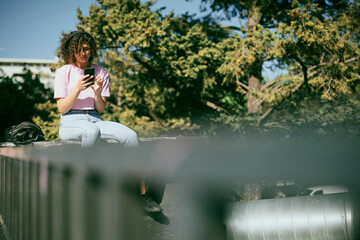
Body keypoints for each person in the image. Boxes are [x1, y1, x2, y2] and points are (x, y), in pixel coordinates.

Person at [54, 30, 162, 212]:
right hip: (70, 120)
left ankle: (142, 193)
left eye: (87, 49)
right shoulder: (64, 72)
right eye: (79, 49)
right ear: (72, 51)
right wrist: (78, 89)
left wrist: (96, 92)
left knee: (131, 135)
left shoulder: (101, 72)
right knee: (91, 132)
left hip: (95, 119)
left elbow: (101, 109)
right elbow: (62, 108)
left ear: (92, 50)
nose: (83, 53)